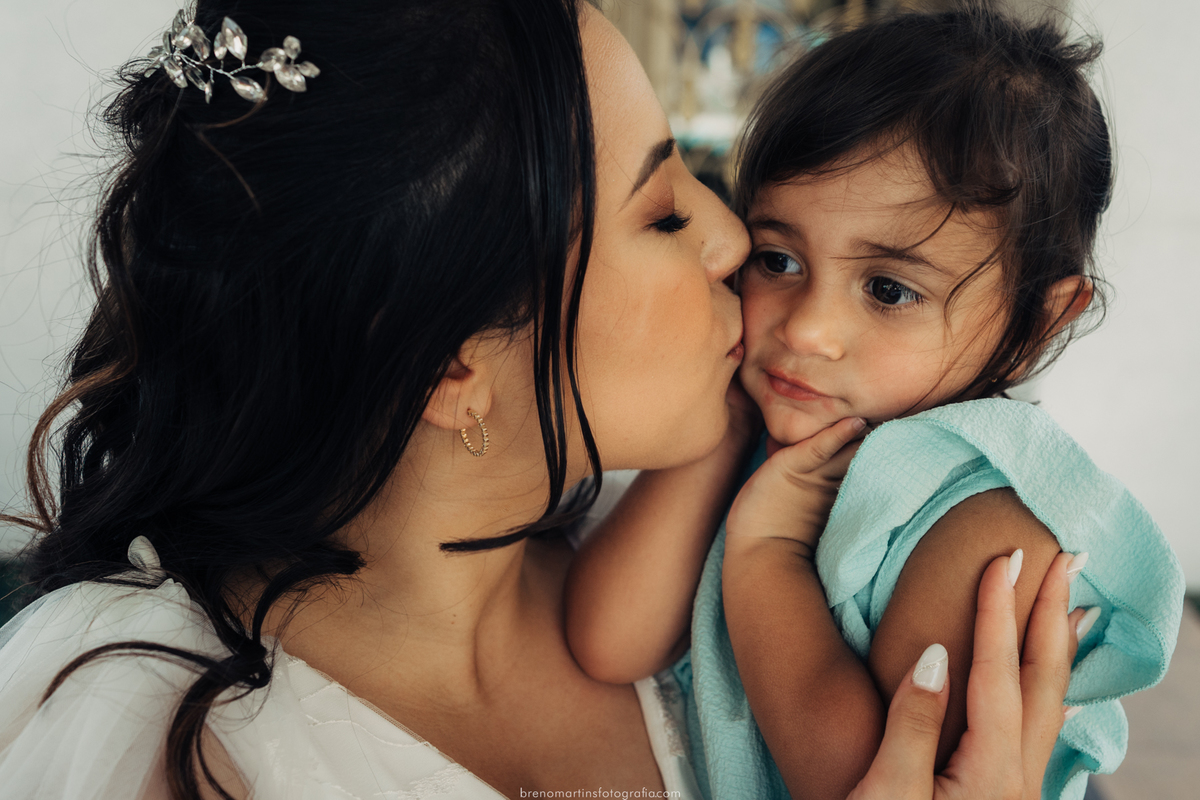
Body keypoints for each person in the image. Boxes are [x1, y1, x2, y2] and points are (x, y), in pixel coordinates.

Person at [0, 2, 1078, 799]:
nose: (732, 238)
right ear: (452, 363)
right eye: (662, 211)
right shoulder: (149, 732)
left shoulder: (679, 538)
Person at [564, 8, 1185, 800]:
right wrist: (730, 426)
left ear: (1037, 322)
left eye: (890, 290)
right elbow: (608, 640)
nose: (808, 328)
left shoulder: (989, 526)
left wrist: (764, 560)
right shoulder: (773, 421)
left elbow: (864, 781)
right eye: (777, 259)